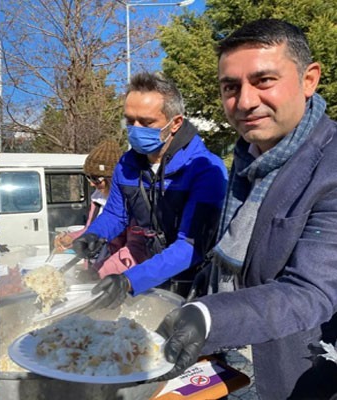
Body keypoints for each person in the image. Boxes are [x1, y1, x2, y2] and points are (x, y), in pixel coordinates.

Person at [157, 19, 337, 399]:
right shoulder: (248, 159)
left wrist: (209, 317)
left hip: (295, 372)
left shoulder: (330, 164)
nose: (245, 101)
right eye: (230, 87)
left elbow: (312, 291)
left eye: (264, 81)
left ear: (309, 80)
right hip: (227, 363)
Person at [72, 71, 228, 301]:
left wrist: (130, 280)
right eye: (129, 120)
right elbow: (117, 213)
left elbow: (190, 245)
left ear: (175, 124)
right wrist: (94, 234)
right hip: (150, 269)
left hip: (194, 279)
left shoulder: (205, 169)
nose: (135, 129)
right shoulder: (127, 163)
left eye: (146, 122)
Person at [53, 140, 124, 259]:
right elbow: (89, 229)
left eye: (96, 179)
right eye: (88, 177)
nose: (91, 184)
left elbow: (131, 244)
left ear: (112, 178)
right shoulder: (97, 198)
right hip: (95, 260)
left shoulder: (128, 201)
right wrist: (71, 238)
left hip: (117, 263)